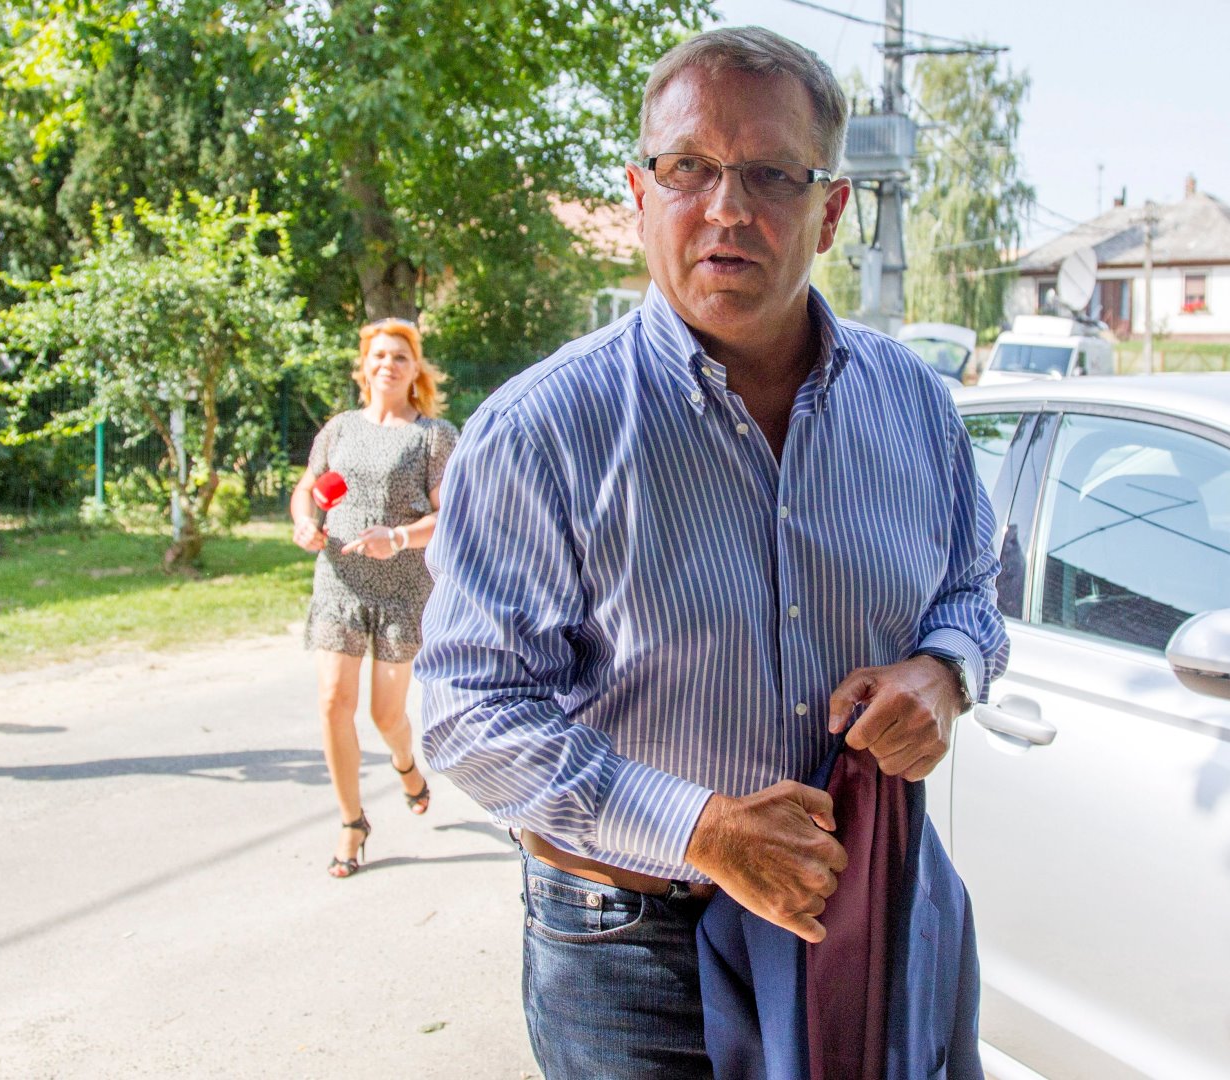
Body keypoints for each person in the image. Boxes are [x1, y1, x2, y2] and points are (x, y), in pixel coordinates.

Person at [414, 27, 1009, 1077]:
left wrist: (944, 671)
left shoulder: (914, 404)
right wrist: (699, 829)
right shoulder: (543, 431)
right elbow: (466, 708)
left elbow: (971, 587)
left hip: (852, 922)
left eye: (772, 174)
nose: (727, 208)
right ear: (640, 194)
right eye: (689, 167)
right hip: (630, 949)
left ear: (831, 210)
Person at [291, 317, 457, 878]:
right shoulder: (339, 429)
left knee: (386, 715)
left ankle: (405, 763)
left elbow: (452, 516)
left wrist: (400, 537)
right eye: (379, 355)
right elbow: (308, 488)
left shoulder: (433, 436)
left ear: (415, 371)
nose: (388, 364)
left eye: (400, 357)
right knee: (332, 703)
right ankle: (351, 821)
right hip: (339, 581)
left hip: (402, 591)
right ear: (364, 366)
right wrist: (303, 522)